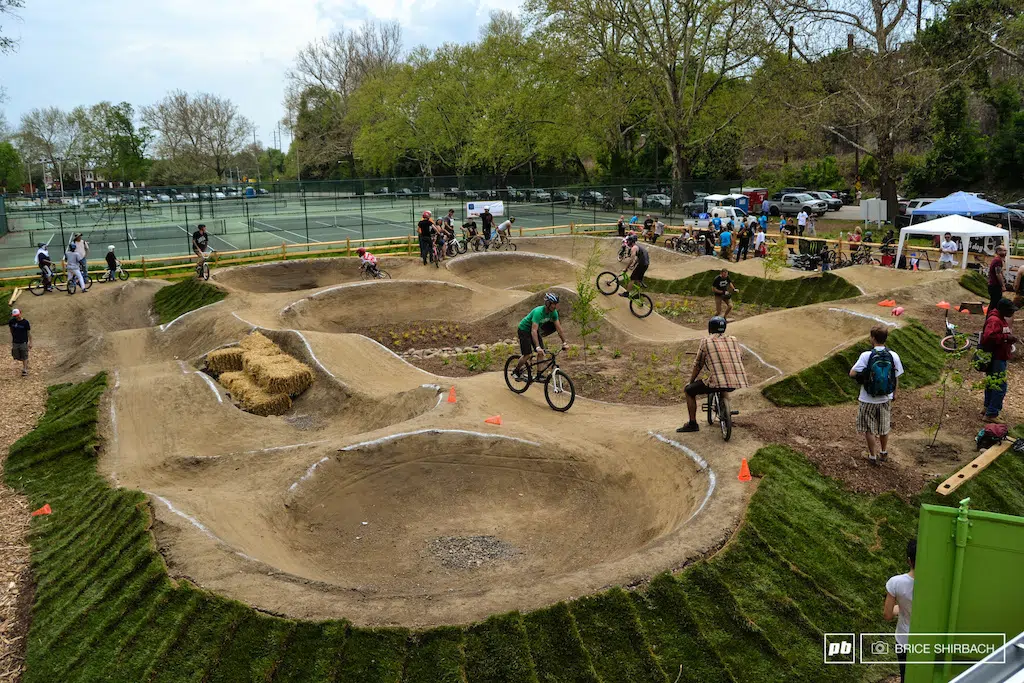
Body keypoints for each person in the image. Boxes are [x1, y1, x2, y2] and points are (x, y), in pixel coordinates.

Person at [676, 316, 748, 433]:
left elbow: (698, 365)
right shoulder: (734, 340)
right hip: (735, 380)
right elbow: (739, 356)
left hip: (716, 382)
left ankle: (692, 423)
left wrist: (691, 381)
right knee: (724, 383)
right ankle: (726, 411)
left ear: (710, 328)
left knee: (689, 390)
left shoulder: (706, 342)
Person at [849, 326, 904, 465]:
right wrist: (895, 393)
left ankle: (872, 455)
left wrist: (864, 375)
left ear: (873, 338)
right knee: (884, 427)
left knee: (869, 428)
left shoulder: (866, 355)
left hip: (867, 398)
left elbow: (852, 373)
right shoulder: (893, 355)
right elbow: (896, 377)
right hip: (886, 397)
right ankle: (884, 452)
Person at [513, 292, 568, 378]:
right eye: (553, 304)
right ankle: (516, 370)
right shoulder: (538, 312)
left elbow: (559, 328)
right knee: (528, 354)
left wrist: (564, 342)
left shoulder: (554, 313)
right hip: (524, 329)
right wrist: (537, 347)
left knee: (541, 352)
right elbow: (533, 331)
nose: (555, 306)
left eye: (556, 304)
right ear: (547, 303)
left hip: (533, 330)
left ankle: (539, 374)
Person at [884, 538, 916, 683]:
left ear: (909, 560)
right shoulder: (938, 583)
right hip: (930, 640)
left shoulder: (896, 583)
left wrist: (901, 608)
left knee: (905, 677)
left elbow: (888, 614)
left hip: (904, 640)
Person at [980, 298, 1016, 422]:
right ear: (1003, 310)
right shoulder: (994, 320)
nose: (1012, 313)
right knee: (1000, 385)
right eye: (1010, 310)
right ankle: (991, 413)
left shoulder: (1000, 319)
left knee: (992, 383)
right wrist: (1007, 337)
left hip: (999, 356)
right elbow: (988, 337)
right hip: (996, 357)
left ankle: (987, 407)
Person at [8, 308, 31, 377]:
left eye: (17, 315)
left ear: (20, 313)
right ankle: (26, 361)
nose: (16, 317)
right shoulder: (11, 321)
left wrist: (31, 342)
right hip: (15, 341)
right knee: (16, 356)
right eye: (15, 316)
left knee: (24, 355)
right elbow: (11, 329)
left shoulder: (25, 322)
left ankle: (25, 369)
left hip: (23, 342)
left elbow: (28, 332)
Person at [987, 245, 1008, 311]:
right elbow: (998, 274)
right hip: (995, 285)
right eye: (1003, 251)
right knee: (994, 304)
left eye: (1005, 251)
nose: (1005, 252)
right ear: (998, 251)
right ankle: (991, 319)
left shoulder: (998, 260)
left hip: (993, 285)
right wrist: (1003, 286)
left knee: (994, 303)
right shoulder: (997, 260)